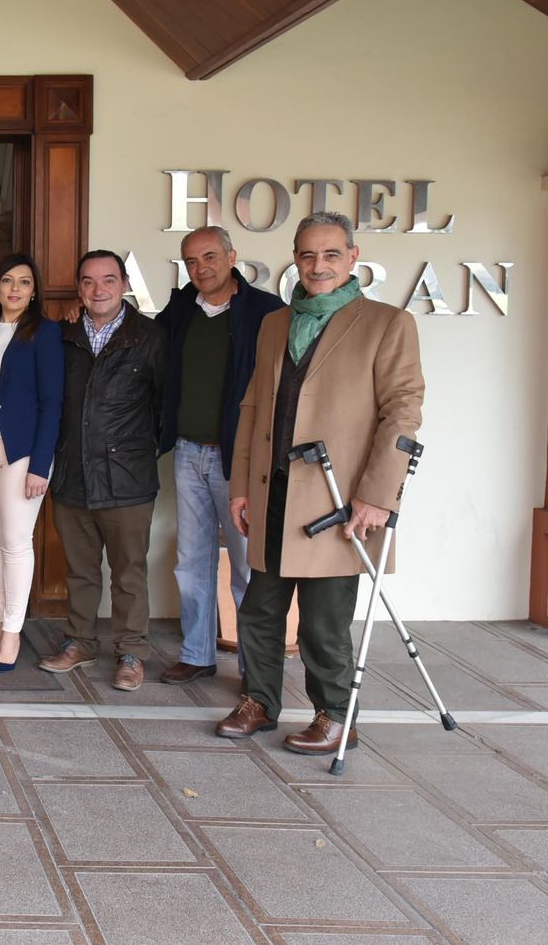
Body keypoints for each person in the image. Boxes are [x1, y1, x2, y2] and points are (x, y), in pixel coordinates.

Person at [217, 212, 423, 755]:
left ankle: (335, 716)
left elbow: (402, 413)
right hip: (274, 491)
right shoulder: (275, 324)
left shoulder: (388, 323)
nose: (318, 265)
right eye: (308, 254)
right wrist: (241, 486)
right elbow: (253, 407)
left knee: (324, 621)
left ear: (353, 257)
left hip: (337, 499)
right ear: (295, 260)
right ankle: (259, 701)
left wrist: (377, 496)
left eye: (331, 254)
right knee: (259, 610)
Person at [157, 226, 286, 684]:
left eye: (210, 257)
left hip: (241, 460)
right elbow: (142, 343)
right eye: (191, 261)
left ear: (232, 257)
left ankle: (256, 671)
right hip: (188, 453)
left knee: (248, 566)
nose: (201, 268)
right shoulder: (180, 310)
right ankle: (197, 654)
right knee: (192, 561)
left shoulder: (267, 311)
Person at [39, 249, 167, 691]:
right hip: (72, 473)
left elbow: (165, 407)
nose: (99, 290)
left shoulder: (150, 337)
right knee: (80, 570)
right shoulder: (63, 336)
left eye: (109, 280)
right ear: (79, 288)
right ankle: (80, 643)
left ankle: (131, 653)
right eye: (89, 281)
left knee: (129, 572)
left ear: (125, 284)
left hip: (127, 479)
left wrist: (137, 451)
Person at [0, 253, 64, 671]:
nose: (15, 288)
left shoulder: (45, 332)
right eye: (8, 280)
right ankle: (1, 623)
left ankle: (12, 634)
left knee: (16, 541)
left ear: (34, 291)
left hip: (22, 450)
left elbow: (52, 402)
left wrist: (41, 465)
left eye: (24, 282)